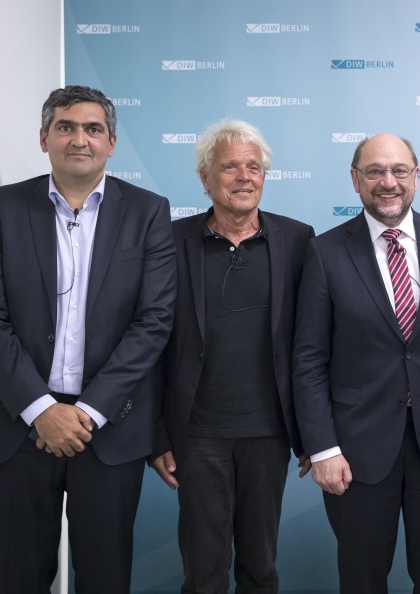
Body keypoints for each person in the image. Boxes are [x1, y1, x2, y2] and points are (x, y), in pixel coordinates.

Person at [0, 85, 177, 594]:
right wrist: (41, 409)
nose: (79, 139)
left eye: (93, 129)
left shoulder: (148, 211)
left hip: (107, 430)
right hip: (17, 429)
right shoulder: (2, 207)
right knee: (18, 579)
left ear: (112, 142)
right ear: (44, 138)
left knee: (105, 580)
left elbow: (154, 321)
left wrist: (87, 412)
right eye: (66, 127)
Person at [292, 133, 420, 593]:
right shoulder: (325, 252)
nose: (388, 182)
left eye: (399, 171)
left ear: (416, 178)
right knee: (362, 579)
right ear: (355, 180)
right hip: (355, 449)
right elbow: (307, 360)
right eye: (375, 172)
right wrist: (322, 448)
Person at [149, 120, 314, 593]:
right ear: (204, 177)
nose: (244, 176)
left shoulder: (300, 241)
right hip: (196, 434)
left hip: (270, 431)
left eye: (254, 167)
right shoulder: (168, 240)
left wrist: (312, 433)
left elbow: (315, 345)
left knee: (261, 567)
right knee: (203, 570)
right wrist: (156, 434)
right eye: (229, 167)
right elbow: (148, 342)